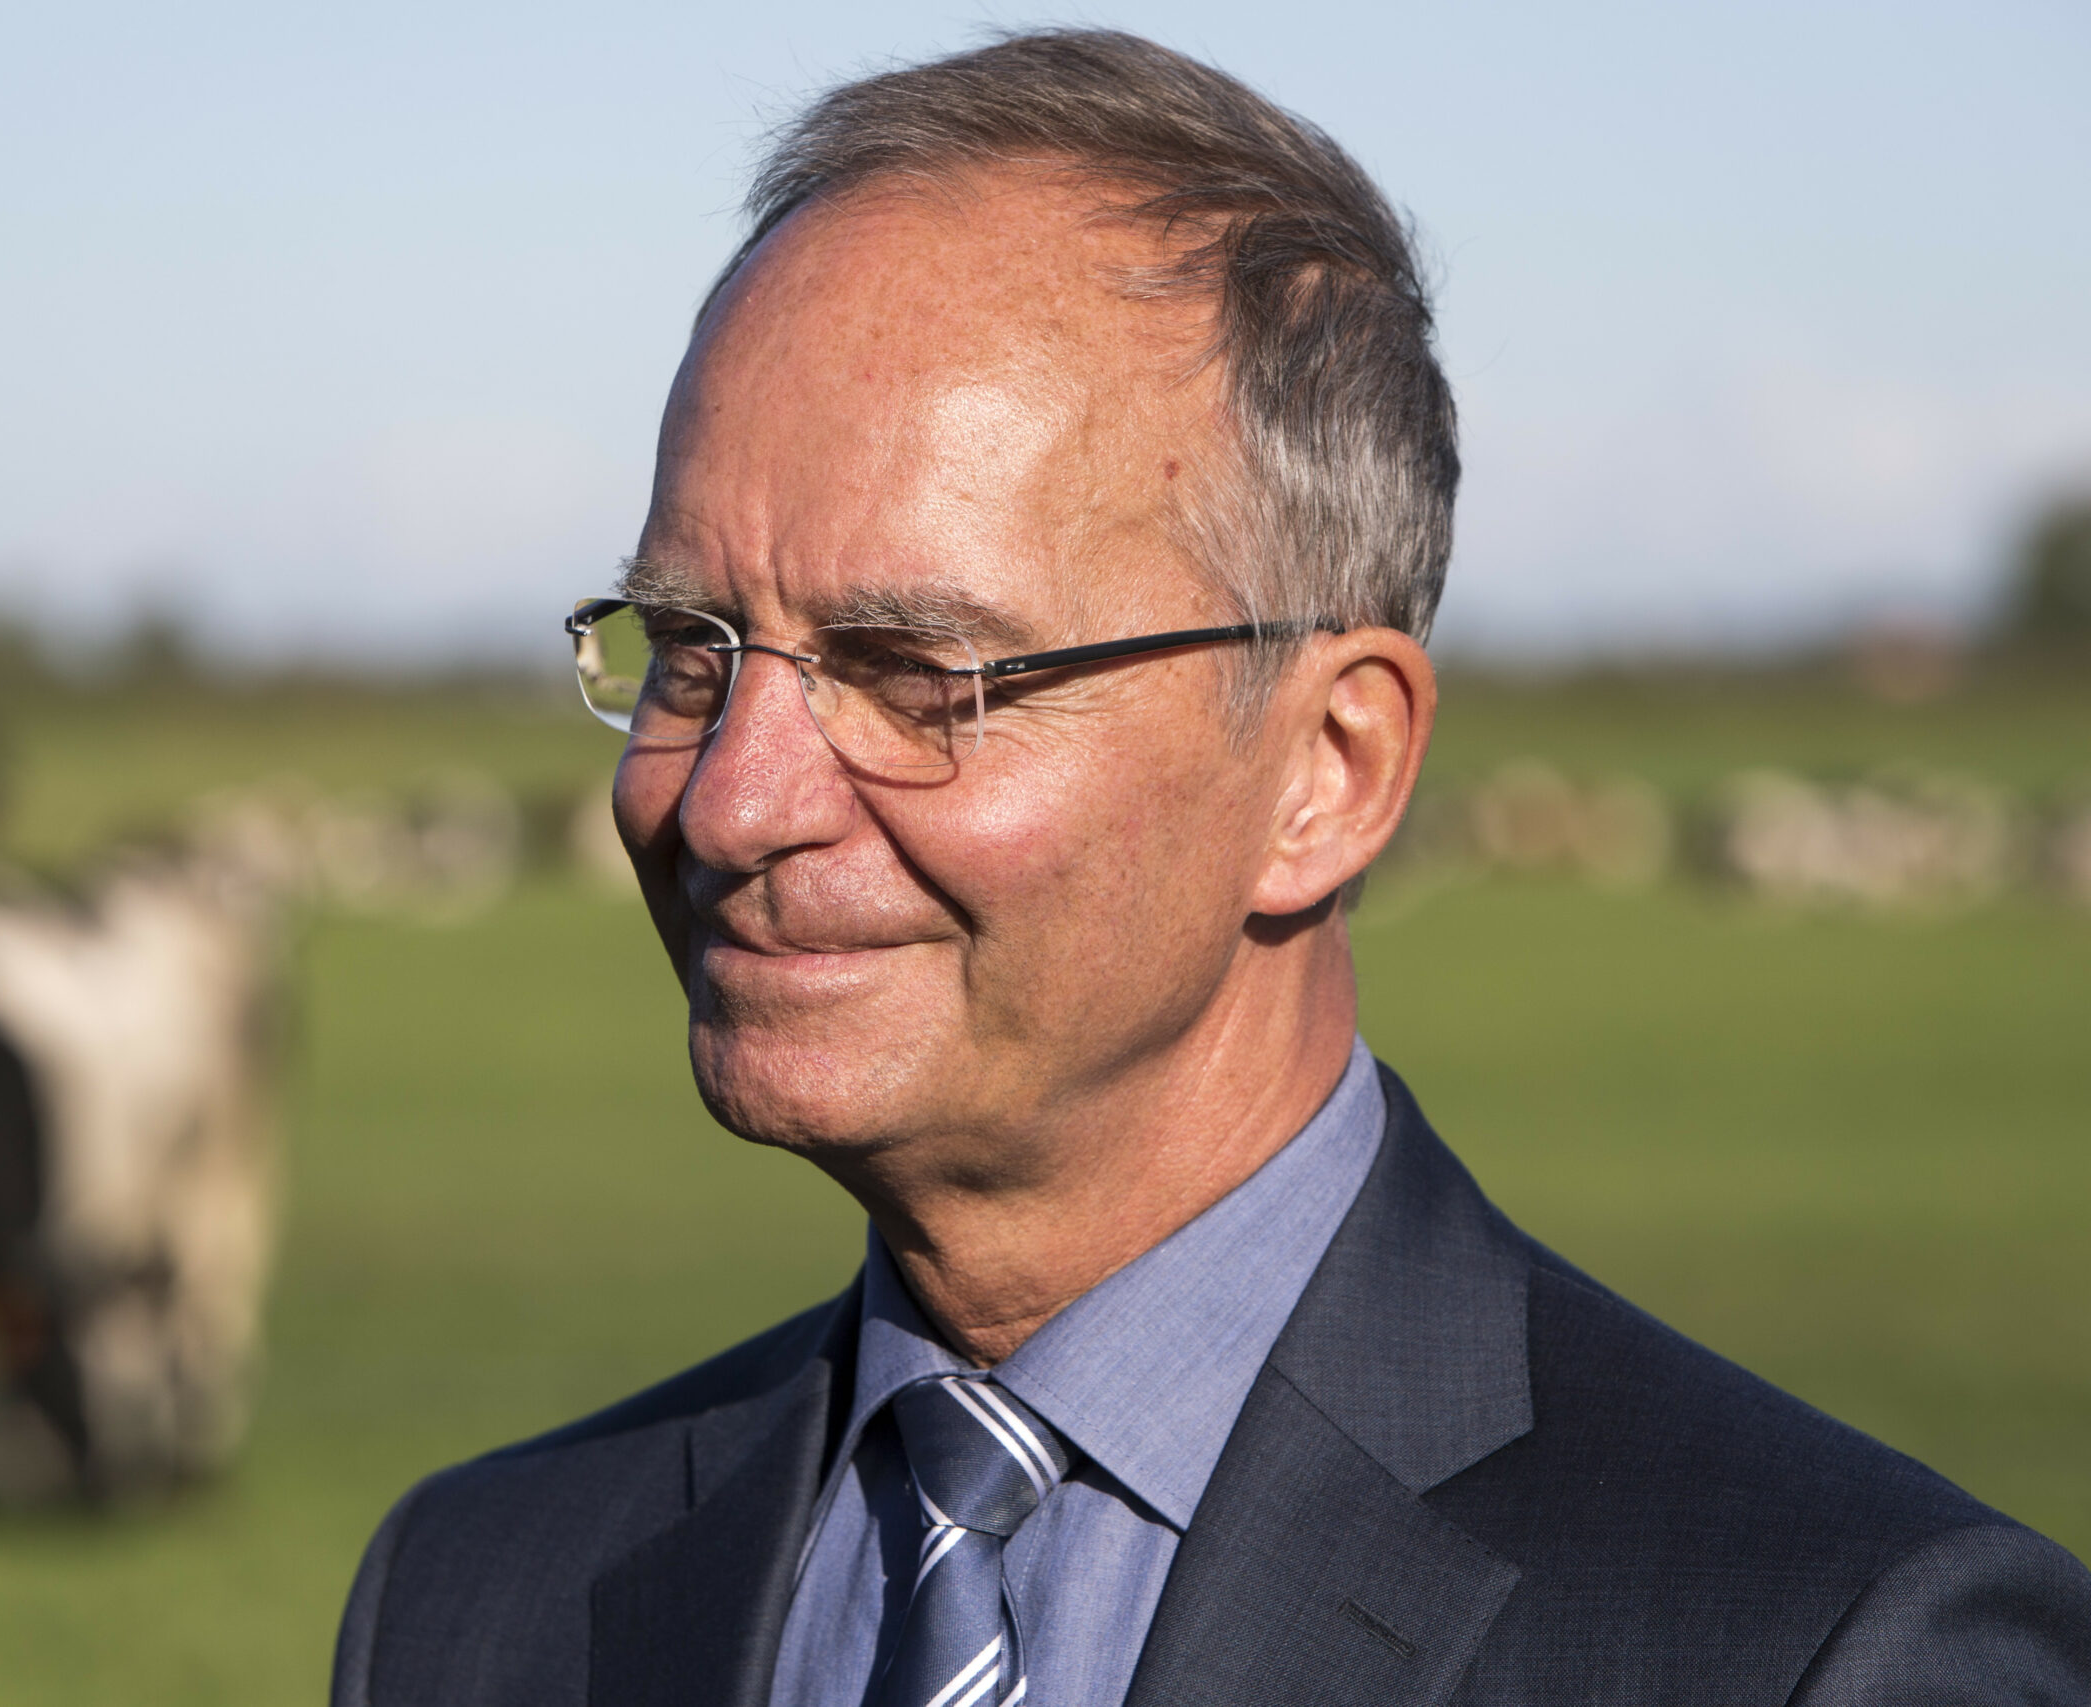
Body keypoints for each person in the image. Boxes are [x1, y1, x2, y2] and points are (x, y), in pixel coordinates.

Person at [334, 29, 2091, 1705]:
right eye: (690, 645)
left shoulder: (1824, 1651)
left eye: (915, 672)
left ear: (1328, 771)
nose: (729, 803)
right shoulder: (479, 1596)